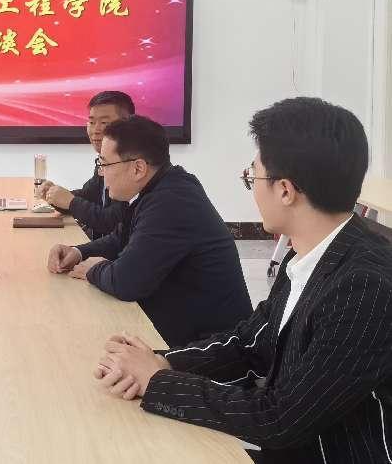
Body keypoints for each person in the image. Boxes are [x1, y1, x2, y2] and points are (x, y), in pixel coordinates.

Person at [96, 98, 392, 464]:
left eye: (252, 176)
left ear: (285, 190)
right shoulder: (306, 255)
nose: (251, 187)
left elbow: (280, 417)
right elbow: (250, 342)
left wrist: (158, 381)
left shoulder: (364, 288)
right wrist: (160, 362)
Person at [47, 115, 252, 346]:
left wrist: (93, 269)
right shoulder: (161, 187)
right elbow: (122, 238)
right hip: (182, 327)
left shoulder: (173, 201)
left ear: (138, 168)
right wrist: (79, 252)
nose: (101, 173)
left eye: (104, 164)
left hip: (210, 348)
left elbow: (126, 282)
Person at [38, 91, 133, 240]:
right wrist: (54, 196)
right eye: (92, 122)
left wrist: (70, 202)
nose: (96, 130)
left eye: (104, 123)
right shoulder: (104, 160)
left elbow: (112, 221)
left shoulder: (130, 165)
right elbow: (88, 195)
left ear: (127, 125)